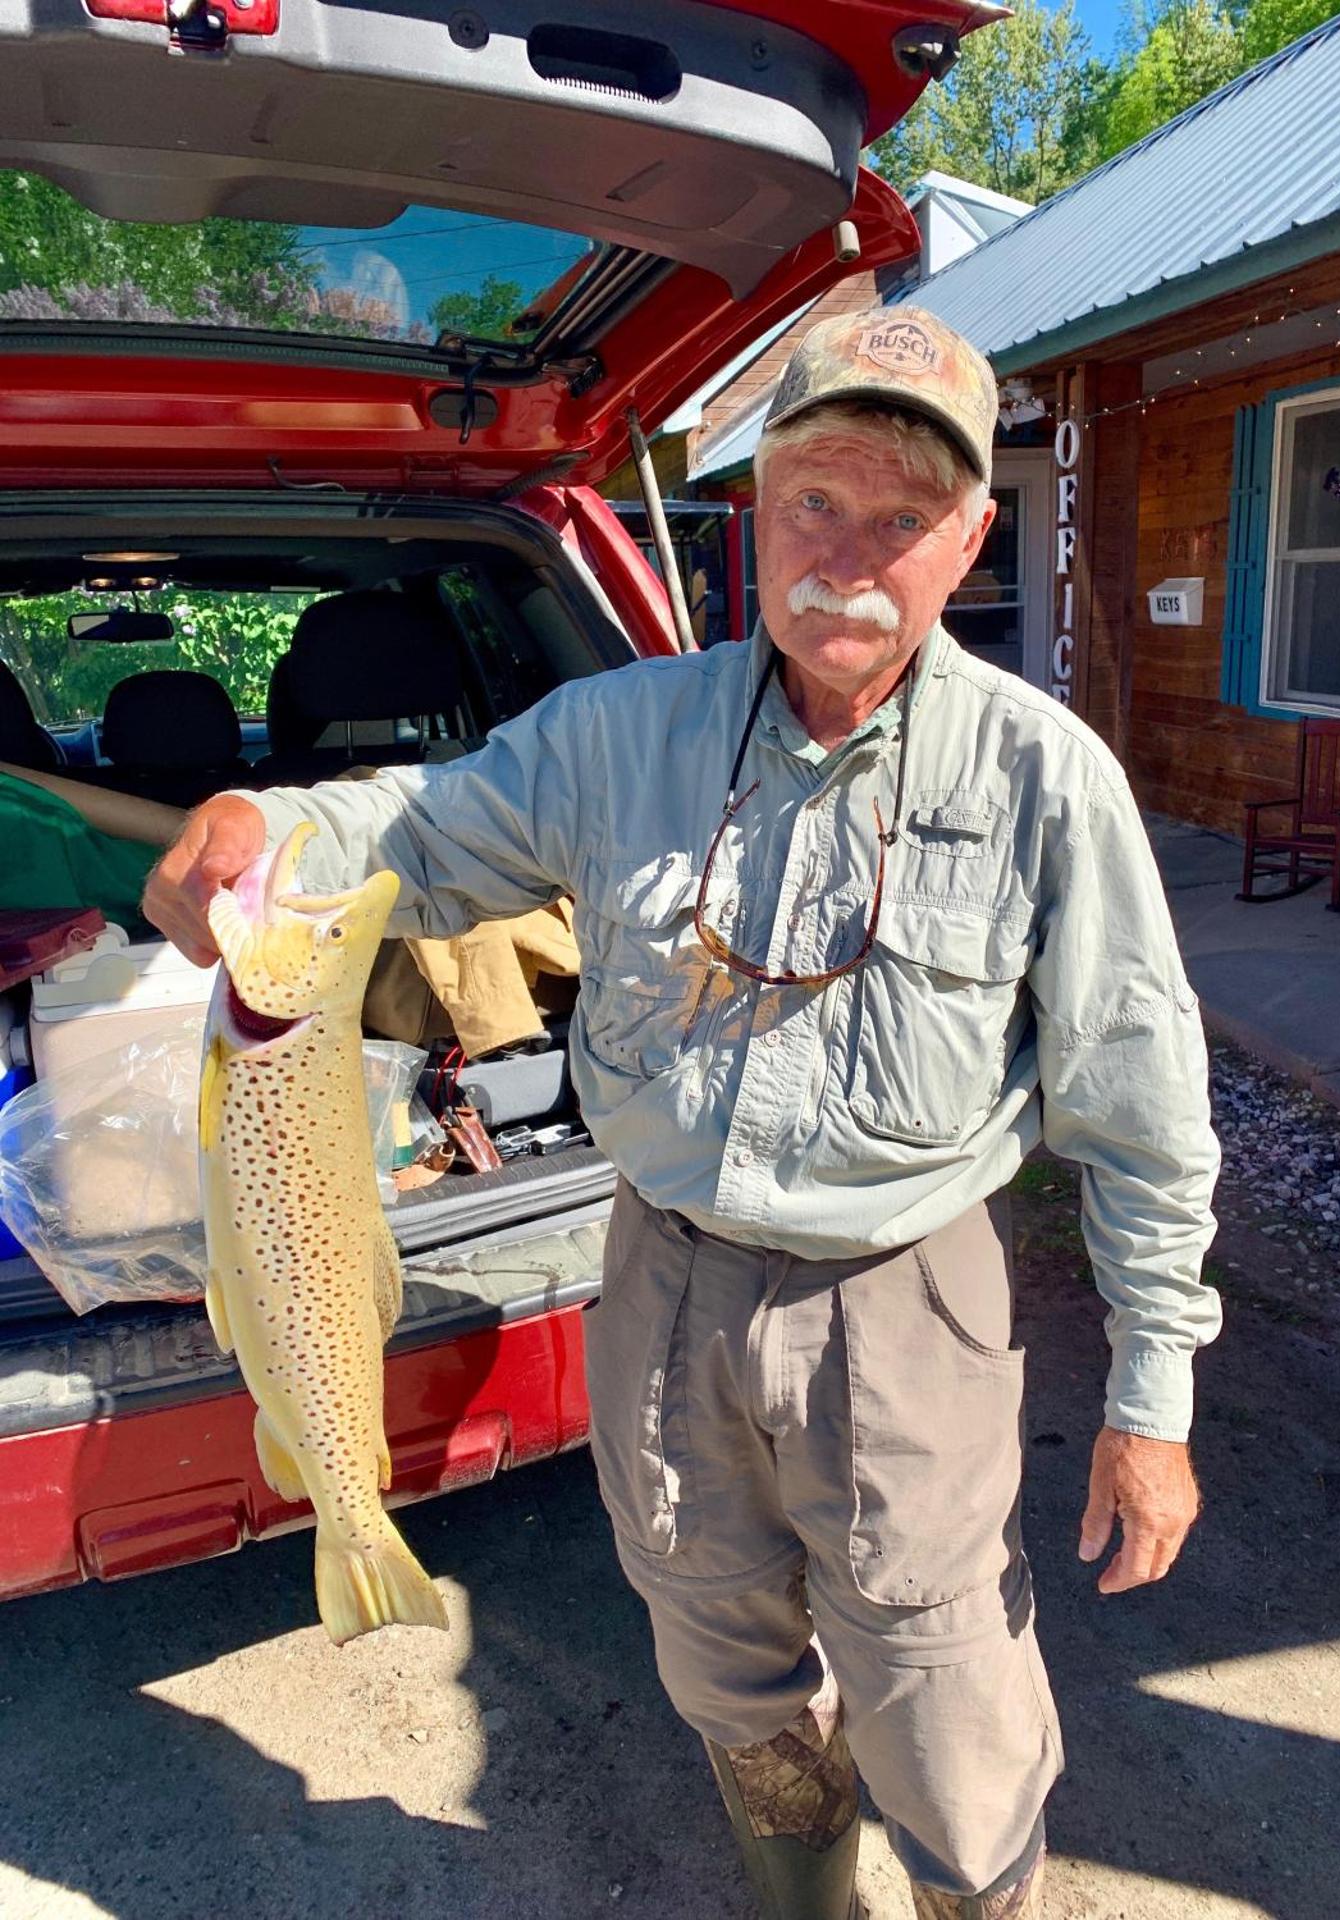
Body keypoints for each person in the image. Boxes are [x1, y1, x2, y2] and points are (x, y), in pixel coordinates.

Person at [145, 306, 1222, 1920]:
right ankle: (805, 1896)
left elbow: (1143, 1110)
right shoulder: (616, 735)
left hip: (906, 1297)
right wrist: (263, 821)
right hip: (661, 1272)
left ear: (971, 536)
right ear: (754, 510)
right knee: (713, 1635)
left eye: (902, 516)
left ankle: (967, 1895)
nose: (848, 555)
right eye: (814, 501)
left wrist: (1154, 1398)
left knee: (944, 1683)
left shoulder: (1043, 778)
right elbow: (414, 834)